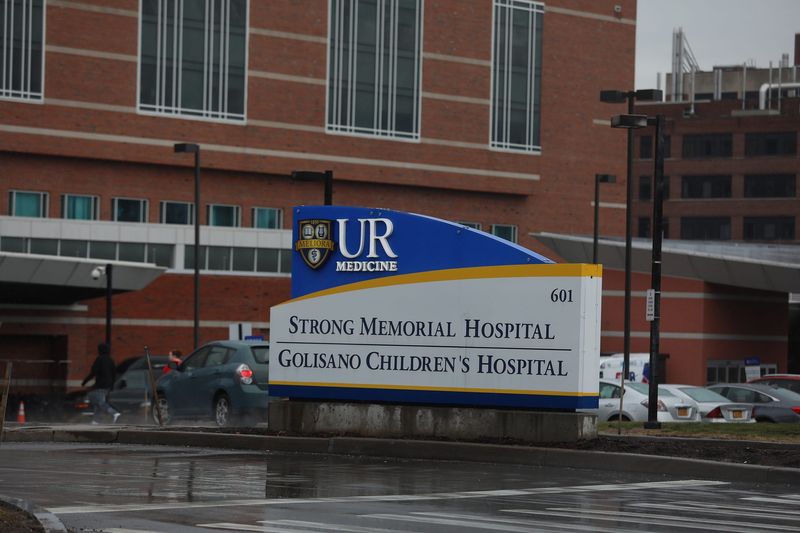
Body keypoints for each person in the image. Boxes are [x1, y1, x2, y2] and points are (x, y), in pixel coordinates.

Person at [82, 342, 121, 424]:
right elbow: (114, 373)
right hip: (108, 385)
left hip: (101, 384)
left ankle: (114, 413)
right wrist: (112, 385)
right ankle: (96, 420)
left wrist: (85, 381)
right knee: (98, 401)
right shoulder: (111, 360)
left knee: (99, 401)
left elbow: (93, 372)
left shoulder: (99, 359)